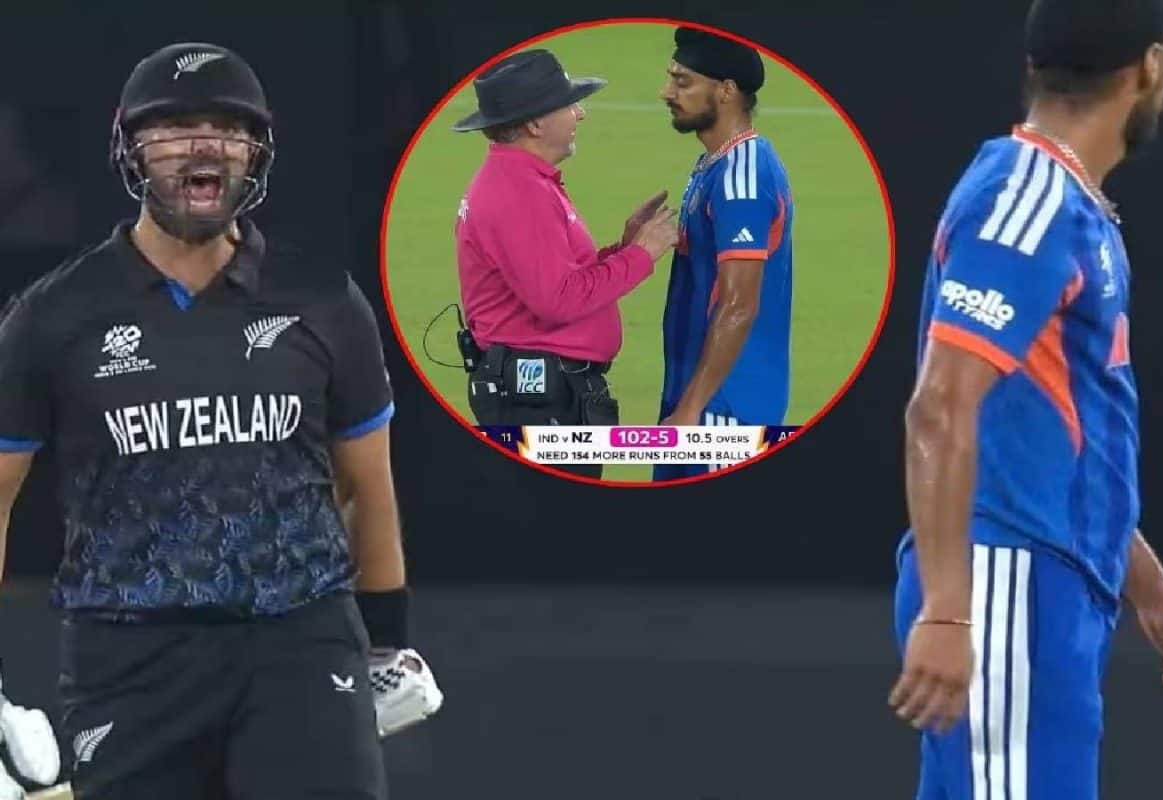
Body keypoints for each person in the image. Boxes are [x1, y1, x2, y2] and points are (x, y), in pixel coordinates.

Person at [0, 42, 441, 799]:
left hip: (300, 643)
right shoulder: (54, 316)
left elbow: (367, 487)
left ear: (255, 151)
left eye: (228, 129)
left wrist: (387, 642)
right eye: (176, 127)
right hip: (128, 658)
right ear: (131, 148)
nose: (205, 146)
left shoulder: (324, 302)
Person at [888, 2, 1163, 797]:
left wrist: (1158, 602)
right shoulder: (1025, 202)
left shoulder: (1059, 203)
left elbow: (1063, 447)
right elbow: (939, 407)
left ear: (1034, 67)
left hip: (1036, 583)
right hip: (1003, 585)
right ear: (1153, 66)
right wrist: (951, 610)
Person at [451, 48, 679, 480]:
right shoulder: (518, 192)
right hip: (539, 401)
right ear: (536, 124)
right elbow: (558, 299)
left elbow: (560, 278)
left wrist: (624, 248)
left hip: (544, 395)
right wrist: (641, 254)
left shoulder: (522, 181)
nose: (580, 114)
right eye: (569, 105)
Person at [653, 27, 795, 481]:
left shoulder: (743, 178)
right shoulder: (715, 165)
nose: (666, 92)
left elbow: (739, 304)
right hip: (697, 395)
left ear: (727, 91)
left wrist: (691, 408)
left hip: (723, 409)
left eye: (682, 81)